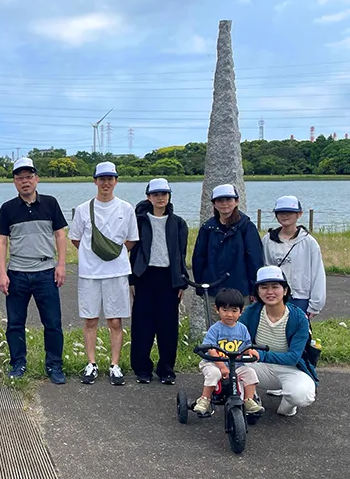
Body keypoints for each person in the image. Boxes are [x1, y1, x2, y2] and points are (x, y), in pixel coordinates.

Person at [0, 157, 67, 384]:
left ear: (36, 178)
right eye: (19, 178)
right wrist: (2, 273)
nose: (25, 182)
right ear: (14, 182)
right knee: (15, 323)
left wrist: (62, 264)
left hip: (46, 271)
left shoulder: (50, 203)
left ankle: (54, 365)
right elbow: (2, 242)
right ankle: (18, 363)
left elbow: (60, 234)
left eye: (29, 177)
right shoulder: (8, 208)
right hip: (17, 272)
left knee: (53, 323)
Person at [68, 162, 138, 386]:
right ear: (94, 181)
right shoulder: (82, 209)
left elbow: (131, 240)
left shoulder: (126, 208)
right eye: (102, 178)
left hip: (116, 272)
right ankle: (91, 363)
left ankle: (115, 364)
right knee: (90, 320)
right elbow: (75, 238)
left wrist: (112, 255)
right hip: (89, 274)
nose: (106, 183)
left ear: (116, 181)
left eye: (110, 178)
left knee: (115, 321)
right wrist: (93, 255)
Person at [129, 178, 189, 385]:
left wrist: (182, 281)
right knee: (142, 324)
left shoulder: (179, 223)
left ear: (169, 196)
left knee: (168, 326)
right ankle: (142, 368)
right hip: (144, 276)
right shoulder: (139, 220)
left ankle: (166, 368)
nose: (160, 198)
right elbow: (133, 252)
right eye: (155, 194)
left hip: (168, 277)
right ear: (148, 197)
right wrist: (132, 280)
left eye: (164, 194)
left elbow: (181, 255)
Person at [240, 266, 317, 417]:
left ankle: (288, 406)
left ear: (285, 290)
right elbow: (238, 341)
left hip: (290, 368)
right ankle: (251, 399)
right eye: (264, 287)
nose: (270, 292)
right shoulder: (251, 312)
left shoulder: (299, 317)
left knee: (302, 395)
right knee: (234, 369)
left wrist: (260, 355)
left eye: (275, 286)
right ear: (258, 291)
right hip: (258, 367)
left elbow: (293, 357)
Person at [192, 184, 263, 321]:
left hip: (241, 291)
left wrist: (255, 289)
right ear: (214, 204)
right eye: (220, 200)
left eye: (229, 199)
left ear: (236, 201)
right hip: (214, 291)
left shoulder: (246, 227)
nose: (224, 204)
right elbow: (199, 259)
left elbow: (255, 260)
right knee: (216, 330)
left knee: (241, 329)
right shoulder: (207, 228)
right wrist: (201, 285)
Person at [193, 288, 265, 417]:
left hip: (235, 365)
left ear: (241, 312)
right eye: (225, 310)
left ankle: (249, 400)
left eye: (234, 311)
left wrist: (251, 351)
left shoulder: (242, 329)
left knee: (250, 373)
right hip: (213, 363)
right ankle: (205, 399)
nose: (229, 315)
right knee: (214, 374)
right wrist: (222, 367)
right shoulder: (215, 329)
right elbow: (211, 349)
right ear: (217, 309)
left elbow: (247, 345)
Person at [262, 195, 326, 318]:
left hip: (300, 298)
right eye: (280, 212)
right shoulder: (268, 240)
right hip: (274, 297)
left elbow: (317, 273)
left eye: (290, 212)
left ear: (299, 214)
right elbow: (264, 268)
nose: (284, 216)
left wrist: (315, 304)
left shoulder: (309, 242)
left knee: (299, 334)